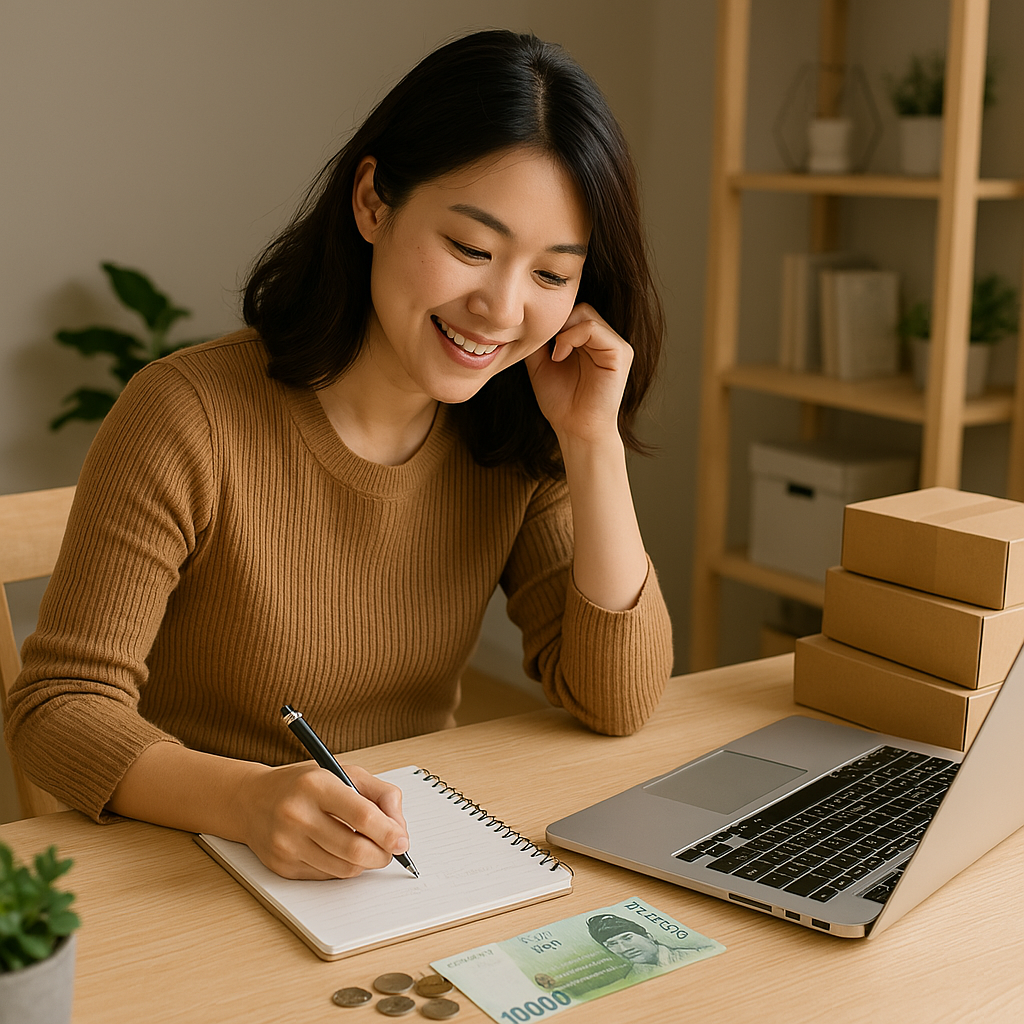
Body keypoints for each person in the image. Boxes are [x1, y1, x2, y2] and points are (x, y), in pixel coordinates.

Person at [5, 30, 673, 880]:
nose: (501, 308)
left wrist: (591, 442)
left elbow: (617, 701)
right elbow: (60, 709)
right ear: (372, 201)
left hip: (404, 870)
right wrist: (248, 801)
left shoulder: (512, 433)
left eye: (551, 275)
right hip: (196, 865)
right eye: (472, 248)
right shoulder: (189, 414)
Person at [586, 915, 709, 977]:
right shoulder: (632, 977)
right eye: (612, 944)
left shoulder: (698, 955)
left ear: (649, 937)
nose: (624, 949)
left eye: (627, 938)